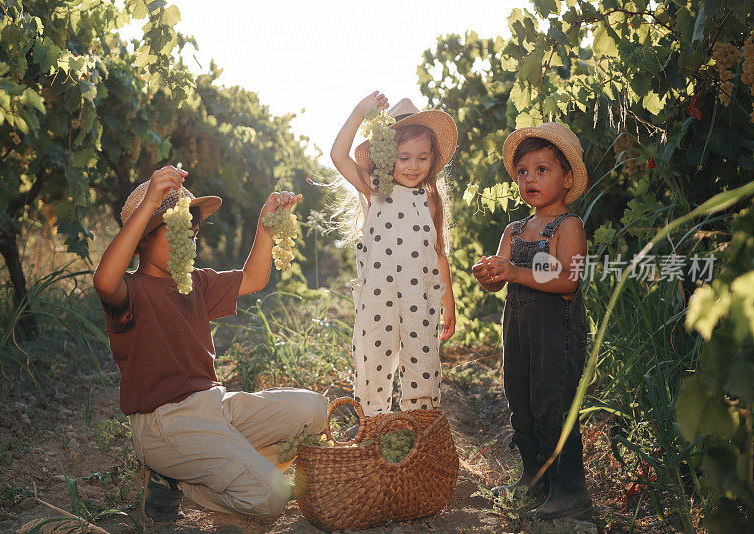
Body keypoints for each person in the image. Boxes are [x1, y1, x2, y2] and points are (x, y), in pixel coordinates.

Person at [92, 165, 328, 522]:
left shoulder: (195, 283)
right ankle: (179, 478)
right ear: (141, 237)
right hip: (166, 425)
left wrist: (265, 226)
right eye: (173, 231)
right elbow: (103, 281)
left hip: (215, 408)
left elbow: (253, 278)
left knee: (315, 410)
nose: (185, 240)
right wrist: (150, 204)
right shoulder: (131, 291)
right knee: (270, 497)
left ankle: (216, 464)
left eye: (192, 233)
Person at [472, 122, 592, 519]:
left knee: (552, 405)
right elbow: (500, 279)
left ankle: (570, 490)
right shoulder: (515, 229)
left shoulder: (568, 226)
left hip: (556, 335)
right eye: (522, 172)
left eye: (542, 170)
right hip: (519, 333)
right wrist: (489, 276)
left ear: (568, 178)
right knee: (520, 400)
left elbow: (568, 279)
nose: (530, 179)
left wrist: (516, 272)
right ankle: (533, 478)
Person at [330, 91, 457, 417]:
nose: (414, 166)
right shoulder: (376, 188)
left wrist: (449, 302)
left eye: (422, 157)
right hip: (378, 297)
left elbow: (438, 253)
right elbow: (339, 155)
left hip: (420, 298)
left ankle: (419, 435)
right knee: (373, 363)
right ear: (388, 158)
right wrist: (360, 110)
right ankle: (373, 432)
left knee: (423, 367)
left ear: (432, 159)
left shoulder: (430, 200)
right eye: (404, 157)